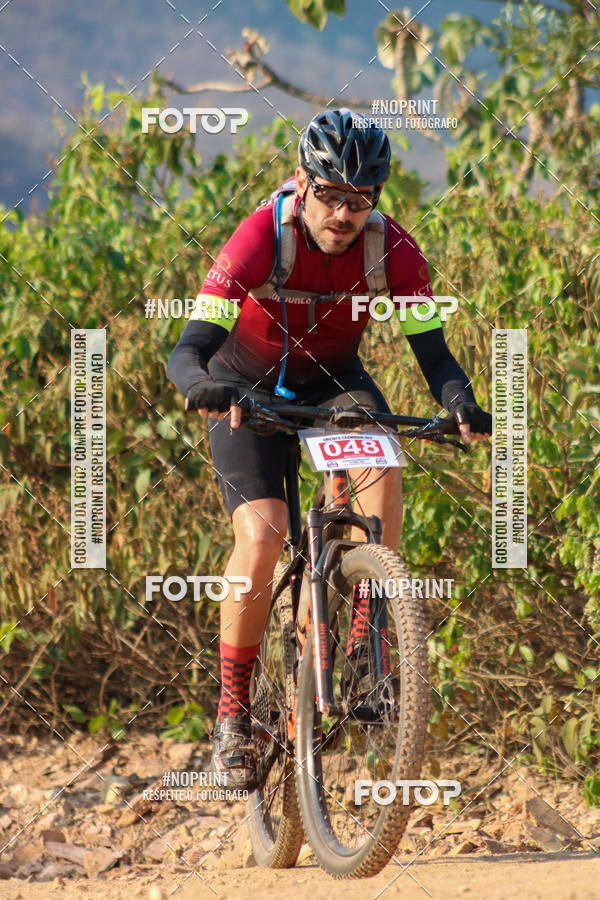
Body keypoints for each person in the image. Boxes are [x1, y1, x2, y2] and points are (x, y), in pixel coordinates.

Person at [167, 108, 491, 789]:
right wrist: (201, 386)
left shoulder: (395, 251)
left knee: (380, 462)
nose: (344, 213)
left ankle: (369, 643)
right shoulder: (261, 235)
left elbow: (434, 355)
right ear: (302, 183)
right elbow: (190, 346)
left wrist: (459, 402)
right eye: (331, 194)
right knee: (264, 534)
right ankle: (232, 716)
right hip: (241, 386)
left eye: (360, 198)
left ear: (376, 200)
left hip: (332, 382)